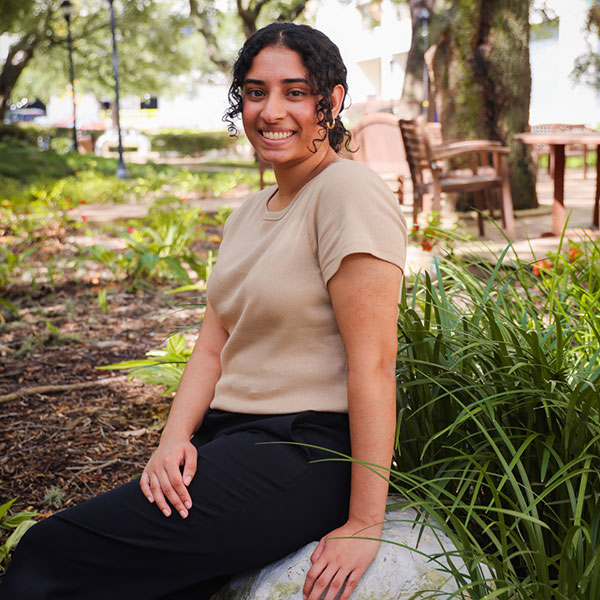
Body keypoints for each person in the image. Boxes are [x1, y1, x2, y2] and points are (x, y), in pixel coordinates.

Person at [1, 22, 407, 600]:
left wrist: (365, 522)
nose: (271, 111)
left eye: (295, 92)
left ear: (332, 101)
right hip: (229, 440)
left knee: (48, 552)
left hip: (304, 451)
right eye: (255, 92)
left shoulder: (348, 192)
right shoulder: (248, 214)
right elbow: (213, 345)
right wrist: (173, 439)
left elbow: (375, 364)